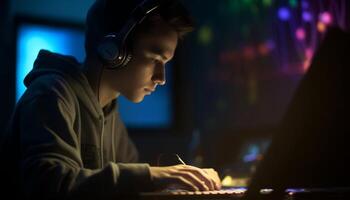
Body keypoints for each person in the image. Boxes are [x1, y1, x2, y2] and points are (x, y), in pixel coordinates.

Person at [0, 0, 221, 199]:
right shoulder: (50, 95)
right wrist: (151, 175)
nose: (161, 78)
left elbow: (128, 186)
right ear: (114, 50)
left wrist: (171, 181)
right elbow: (48, 184)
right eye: (154, 58)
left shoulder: (109, 112)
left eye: (166, 63)